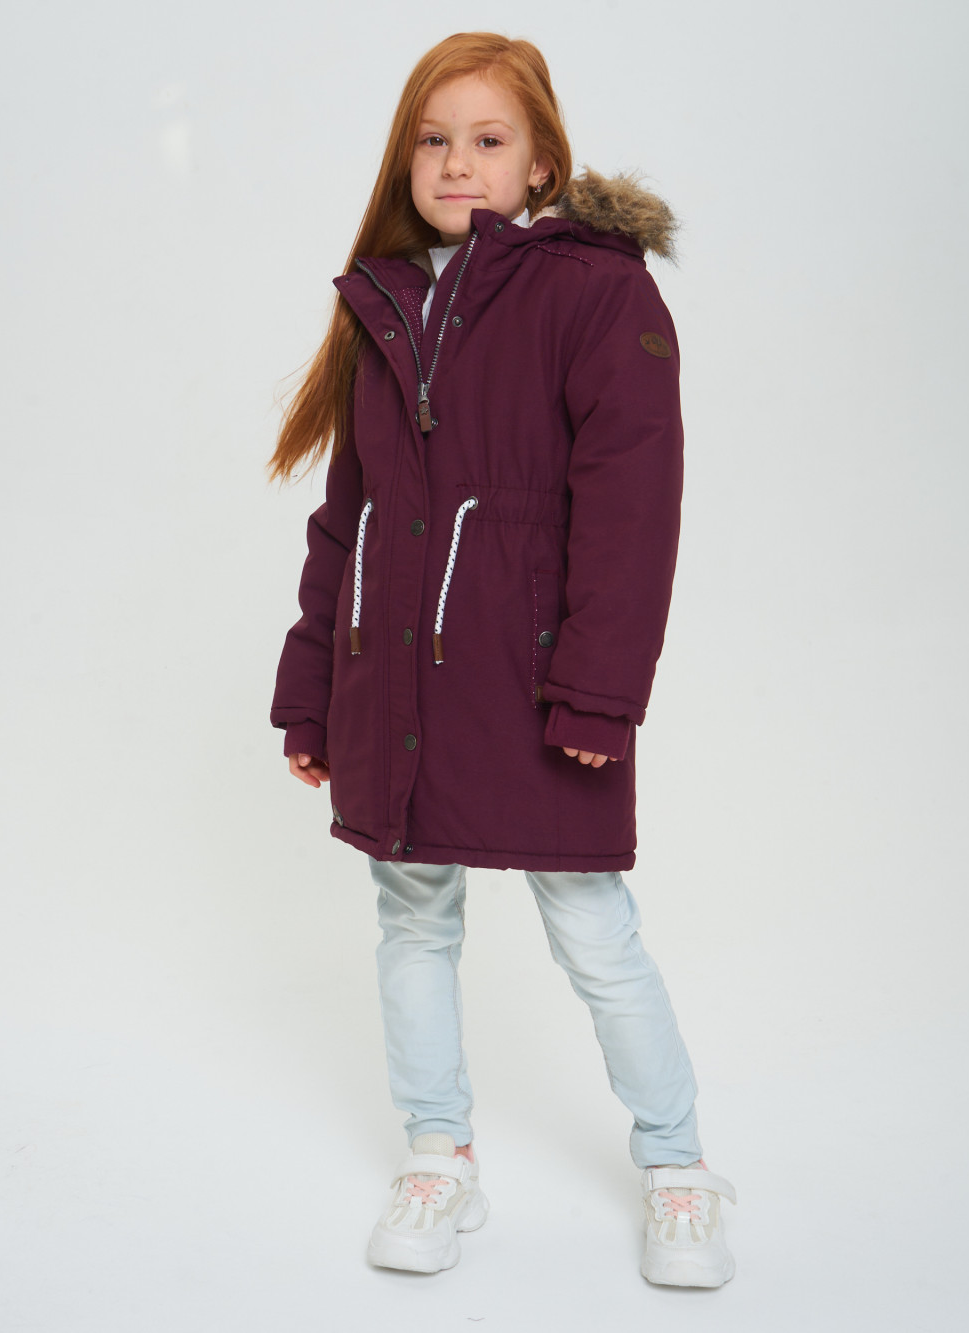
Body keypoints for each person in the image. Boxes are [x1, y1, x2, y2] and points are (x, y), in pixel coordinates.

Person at [266, 31, 736, 1286]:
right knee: (412, 918)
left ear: (540, 164)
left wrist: (597, 692)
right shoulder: (385, 304)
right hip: (398, 689)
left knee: (592, 928)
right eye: (433, 139)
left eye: (486, 139)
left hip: (534, 690)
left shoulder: (596, 293)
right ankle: (438, 1152)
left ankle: (678, 1166)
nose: (455, 162)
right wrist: (311, 691)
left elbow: (633, 505)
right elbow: (348, 523)